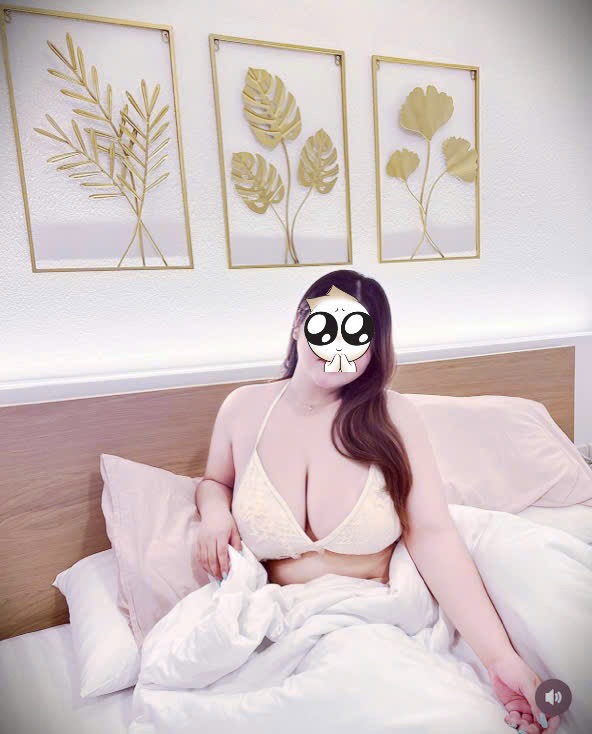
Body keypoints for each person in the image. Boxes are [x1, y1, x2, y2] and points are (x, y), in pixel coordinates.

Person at [194, 269, 559, 734]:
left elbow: (433, 535)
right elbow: (215, 480)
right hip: (280, 620)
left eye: (357, 337)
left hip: (376, 616)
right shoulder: (242, 408)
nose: (338, 348)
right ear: (299, 323)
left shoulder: (393, 417)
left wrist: (500, 659)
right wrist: (214, 512)